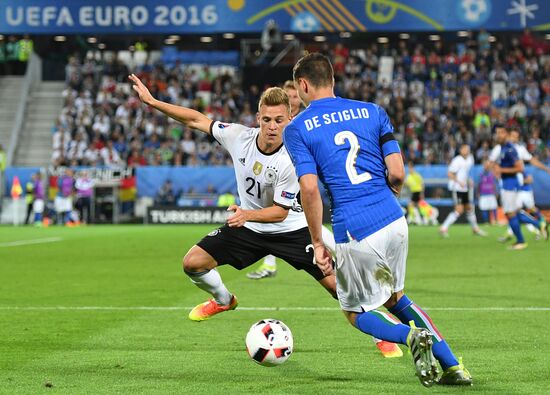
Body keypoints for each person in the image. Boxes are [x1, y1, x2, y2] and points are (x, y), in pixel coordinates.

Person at [129, 74, 400, 358]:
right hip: (249, 228)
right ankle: (223, 300)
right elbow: (196, 120)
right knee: (192, 264)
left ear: (290, 118)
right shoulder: (238, 137)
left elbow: (280, 213)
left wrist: (245, 214)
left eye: (279, 121)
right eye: (267, 120)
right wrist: (153, 102)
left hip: (292, 230)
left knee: (341, 290)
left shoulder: (294, 157)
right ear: (258, 117)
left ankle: (383, 334)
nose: (272, 127)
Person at [283, 53, 471, 386]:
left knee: (355, 312)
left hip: (354, 227)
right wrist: (387, 200)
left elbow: (309, 188)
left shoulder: (297, 128)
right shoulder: (373, 111)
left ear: (303, 85)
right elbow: (397, 172)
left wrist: (316, 240)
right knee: (396, 296)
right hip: (394, 218)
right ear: (334, 81)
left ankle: (409, 338)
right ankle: (454, 366)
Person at [247, 80, 306, 280]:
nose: (293, 99)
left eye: (295, 96)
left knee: (316, 234)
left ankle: (349, 265)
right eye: (289, 96)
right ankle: (270, 264)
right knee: (274, 218)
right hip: (283, 187)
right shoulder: (280, 121)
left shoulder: (304, 122)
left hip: (301, 187)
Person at [490, 127, 549, 242]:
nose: (514, 138)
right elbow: (491, 163)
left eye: (516, 137)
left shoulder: (518, 149)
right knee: (514, 211)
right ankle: (538, 225)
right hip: (507, 183)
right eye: (512, 136)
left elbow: (530, 162)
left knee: (513, 211)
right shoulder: (500, 148)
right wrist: (495, 171)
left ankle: (528, 231)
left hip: (516, 184)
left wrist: (545, 169)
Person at [439, 144, 486, 237]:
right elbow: (449, 174)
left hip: (465, 188)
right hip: (456, 188)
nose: (466, 151)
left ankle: (475, 229)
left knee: (469, 208)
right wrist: (459, 182)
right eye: (464, 149)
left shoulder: (470, 159)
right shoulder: (457, 160)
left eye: (468, 149)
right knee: (459, 210)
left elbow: (466, 172)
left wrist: (469, 180)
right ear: (460, 150)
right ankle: (443, 228)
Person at [477, 160, 498, 225]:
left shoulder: (492, 174)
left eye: (488, 165)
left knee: (494, 207)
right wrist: (478, 193)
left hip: (491, 193)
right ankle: (486, 222)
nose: (486, 167)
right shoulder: (481, 174)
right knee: (484, 208)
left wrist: (496, 192)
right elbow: (479, 184)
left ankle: (495, 221)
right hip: (483, 194)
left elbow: (494, 184)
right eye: (485, 165)